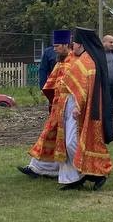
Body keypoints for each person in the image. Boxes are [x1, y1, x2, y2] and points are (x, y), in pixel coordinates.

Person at [21, 30, 86, 187]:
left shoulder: (74, 61)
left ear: (65, 45)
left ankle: (79, 171)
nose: (54, 49)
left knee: (64, 139)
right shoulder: (61, 61)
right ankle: (39, 167)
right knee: (50, 136)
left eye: (57, 46)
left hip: (69, 105)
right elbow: (52, 81)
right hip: (58, 105)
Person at [70, 27, 113, 187]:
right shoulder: (91, 57)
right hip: (93, 106)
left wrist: (77, 107)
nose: (72, 46)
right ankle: (88, 173)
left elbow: (83, 87)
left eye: (74, 43)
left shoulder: (86, 60)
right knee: (88, 141)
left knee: (92, 140)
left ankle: (100, 172)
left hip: (90, 108)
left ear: (80, 44)